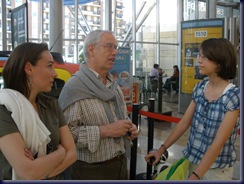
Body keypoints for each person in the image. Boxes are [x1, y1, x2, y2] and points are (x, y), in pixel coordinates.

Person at [145, 38, 240, 180]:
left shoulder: (233, 96)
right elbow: (184, 123)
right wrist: (161, 150)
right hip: (193, 161)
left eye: (205, 57)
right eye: (199, 56)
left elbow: (218, 142)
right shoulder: (201, 87)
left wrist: (196, 176)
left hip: (216, 170)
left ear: (220, 62)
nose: (199, 60)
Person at [58, 30, 139, 180]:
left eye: (116, 47)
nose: (114, 52)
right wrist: (105, 131)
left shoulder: (113, 85)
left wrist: (129, 128)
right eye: (109, 46)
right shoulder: (74, 87)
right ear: (91, 49)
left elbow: (121, 117)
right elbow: (66, 136)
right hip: (90, 171)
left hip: (120, 164)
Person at [0, 42, 77, 180]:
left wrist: (40, 173)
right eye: (49, 66)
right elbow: (28, 172)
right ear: (29, 68)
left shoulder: (51, 105)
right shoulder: (4, 109)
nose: (55, 73)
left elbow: (72, 154)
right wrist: (60, 153)